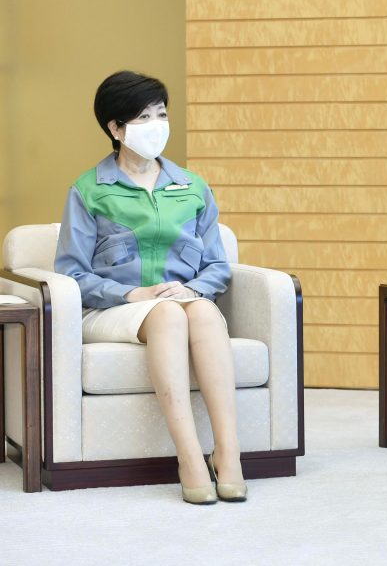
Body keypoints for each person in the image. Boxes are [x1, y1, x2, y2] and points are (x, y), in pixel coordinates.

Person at [55, 71, 246, 505]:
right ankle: (190, 458)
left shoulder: (192, 186)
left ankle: (228, 454)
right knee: (165, 313)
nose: (157, 125)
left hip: (180, 303)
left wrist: (192, 289)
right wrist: (131, 295)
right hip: (114, 311)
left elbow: (218, 264)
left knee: (195, 310)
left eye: (162, 114)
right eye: (142, 118)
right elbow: (71, 272)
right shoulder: (89, 190)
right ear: (115, 128)